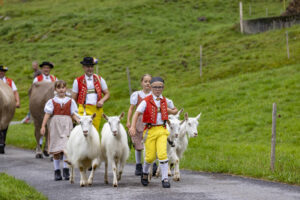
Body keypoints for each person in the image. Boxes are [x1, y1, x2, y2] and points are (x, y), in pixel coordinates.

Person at [129, 77, 178, 188]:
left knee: (162, 154)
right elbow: (136, 113)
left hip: (162, 129)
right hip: (150, 130)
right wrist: (132, 126)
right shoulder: (146, 101)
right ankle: (145, 173)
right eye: (155, 87)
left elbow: (175, 111)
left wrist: (167, 110)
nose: (157, 89)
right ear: (151, 87)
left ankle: (165, 179)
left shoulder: (166, 101)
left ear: (163, 88)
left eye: (160, 87)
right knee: (150, 157)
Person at [40, 80, 79, 181]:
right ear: (55, 89)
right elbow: (47, 114)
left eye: (63, 87)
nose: (61, 90)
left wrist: (80, 121)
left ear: (66, 89)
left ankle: (66, 170)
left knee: (66, 149)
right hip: (55, 125)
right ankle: (57, 171)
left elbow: (73, 114)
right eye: (59, 88)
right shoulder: (52, 101)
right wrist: (43, 126)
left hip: (67, 124)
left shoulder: (70, 101)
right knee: (56, 150)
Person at [72, 57, 110, 132]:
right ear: (83, 67)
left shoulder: (100, 79)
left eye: (91, 66)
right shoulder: (77, 81)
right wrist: (75, 111)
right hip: (83, 109)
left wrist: (102, 101)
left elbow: (107, 94)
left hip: (96, 110)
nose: (90, 69)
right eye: (87, 67)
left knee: (94, 132)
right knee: (83, 131)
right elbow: (74, 98)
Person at [126, 74, 152, 176]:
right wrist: (129, 121)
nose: (147, 84)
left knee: (150, 142)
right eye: (145, 81)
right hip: (139, 120)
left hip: (150, 120)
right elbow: (131, 108)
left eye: (149, 82)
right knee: (138, 142)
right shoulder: (136, 95)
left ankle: (152, 164)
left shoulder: (153, 95)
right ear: (142, 83)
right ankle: (138, 165)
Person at [0, 65, 20, 154]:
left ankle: (2, 142)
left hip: (6, 106)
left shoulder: (9, 81)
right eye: (0, 71)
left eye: (3, 71)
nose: (1, 72)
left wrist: (17, 101)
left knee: (5, 124)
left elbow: (15, 92)